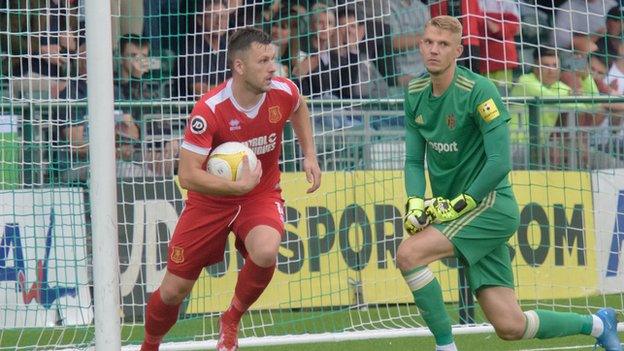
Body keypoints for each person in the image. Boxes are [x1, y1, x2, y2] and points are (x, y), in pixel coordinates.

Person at [398, 15, 621, 351]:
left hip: (488, 207)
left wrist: (463, 201)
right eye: (429, 42)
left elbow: (499, 161)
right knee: (510, 326)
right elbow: (414, 160)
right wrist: (416, 202)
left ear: (458, 50)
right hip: (459, 212)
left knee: (409, 254)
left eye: (443, 45)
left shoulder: (479, 91)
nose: (434, 50)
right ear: (420, 45)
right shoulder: (414, 92)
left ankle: (445, 347)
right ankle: (599, 324)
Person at [140, 27, 321, 351]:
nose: (272, 68)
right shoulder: (209, 109)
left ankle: (231, 319)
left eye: (274, 60)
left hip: (260, 193)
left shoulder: (284, 91)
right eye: (263, 61)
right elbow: (187, 175)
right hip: (210, 202)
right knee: (173, 291)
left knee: (266, 251)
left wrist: (309, 155)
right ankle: (150, 344)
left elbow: (300, 107)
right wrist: (232, 186)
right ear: (239, 66)